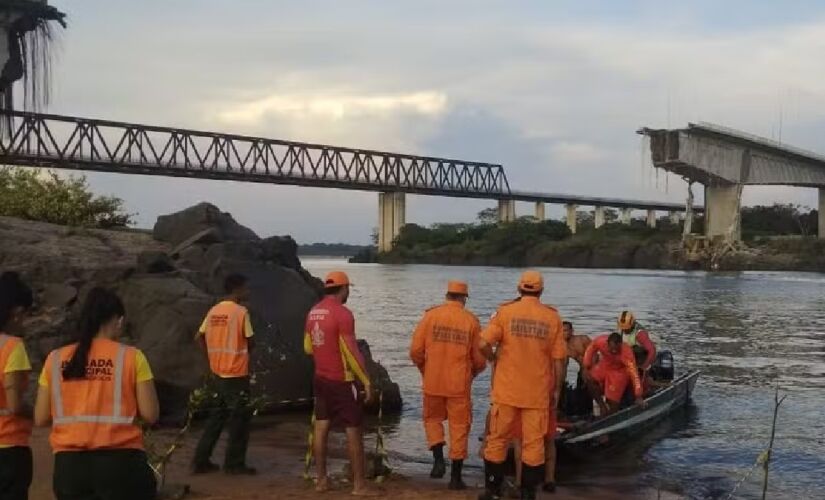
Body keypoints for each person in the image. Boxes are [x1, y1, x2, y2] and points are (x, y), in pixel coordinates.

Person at [34, 287, 159, 500]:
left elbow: (41, 417)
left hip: (69, 468)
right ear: (118, 321)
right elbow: (150, 414)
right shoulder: (132, 357)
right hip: (121, 465)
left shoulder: (55, 359)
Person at [478, 271, 566, 500]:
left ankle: (492, 490)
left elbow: (482, 343)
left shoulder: (505, 312)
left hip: (506, 391)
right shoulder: (552, 317)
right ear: (541, 290)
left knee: (497, 440)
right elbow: (559, 360)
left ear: (519, 289)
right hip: (537, 394)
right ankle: (528, 494)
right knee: (534, 444)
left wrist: (493, 358)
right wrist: (556, 390)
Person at [304, 271, 378, 496]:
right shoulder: (343, 314)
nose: (349, 293)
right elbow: (352, 352)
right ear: (343, 289)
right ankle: (359, 485)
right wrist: (367, 382)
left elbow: (308, 347)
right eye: (348, 289)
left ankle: (322, 481)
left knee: (321, 427)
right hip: (342, 381)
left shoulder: (313, 312)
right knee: (353, 430)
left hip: (320, 378)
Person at [409, 280, 486, 490]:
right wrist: (473, 373)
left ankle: (437, 461)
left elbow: (415, 350)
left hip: (433, 381)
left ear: (447, 295)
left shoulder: (430, 316)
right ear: (464, 298)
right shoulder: (471, 320)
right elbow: (479, 359)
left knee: (432, 419)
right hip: (458, 385)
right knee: (459, 427)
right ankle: (455, 478)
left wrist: (425, 369)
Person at [192, 273, 257, 475]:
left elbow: (198, 337)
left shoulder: (214, 311)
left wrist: (210, 359)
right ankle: (234, 464)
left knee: (217, 417)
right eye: (246, 287)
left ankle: (201, 460)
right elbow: (250, 340)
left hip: (218, 372)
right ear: (236, 289)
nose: (248, 291)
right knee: (240, 420)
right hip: (236, 374)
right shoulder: (240, 312)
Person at [0, 272, 34, 500]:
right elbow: (14, 406)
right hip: (9, 447)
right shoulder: (12, 346)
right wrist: (38, 411)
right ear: (16, 311)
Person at [582, 332, 645, 416]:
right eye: (611, 349)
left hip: (619, 371)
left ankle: (611, 414)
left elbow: (634, 374)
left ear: (620, 345)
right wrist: (586, 365)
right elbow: (591, 348)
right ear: (607, 343)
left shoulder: (627, 353)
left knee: (613, 402)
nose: (613, 351)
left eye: (616, 349)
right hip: (605, 365)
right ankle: (602, 406)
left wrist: (638, 395)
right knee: (589, 378)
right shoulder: (600, 341)